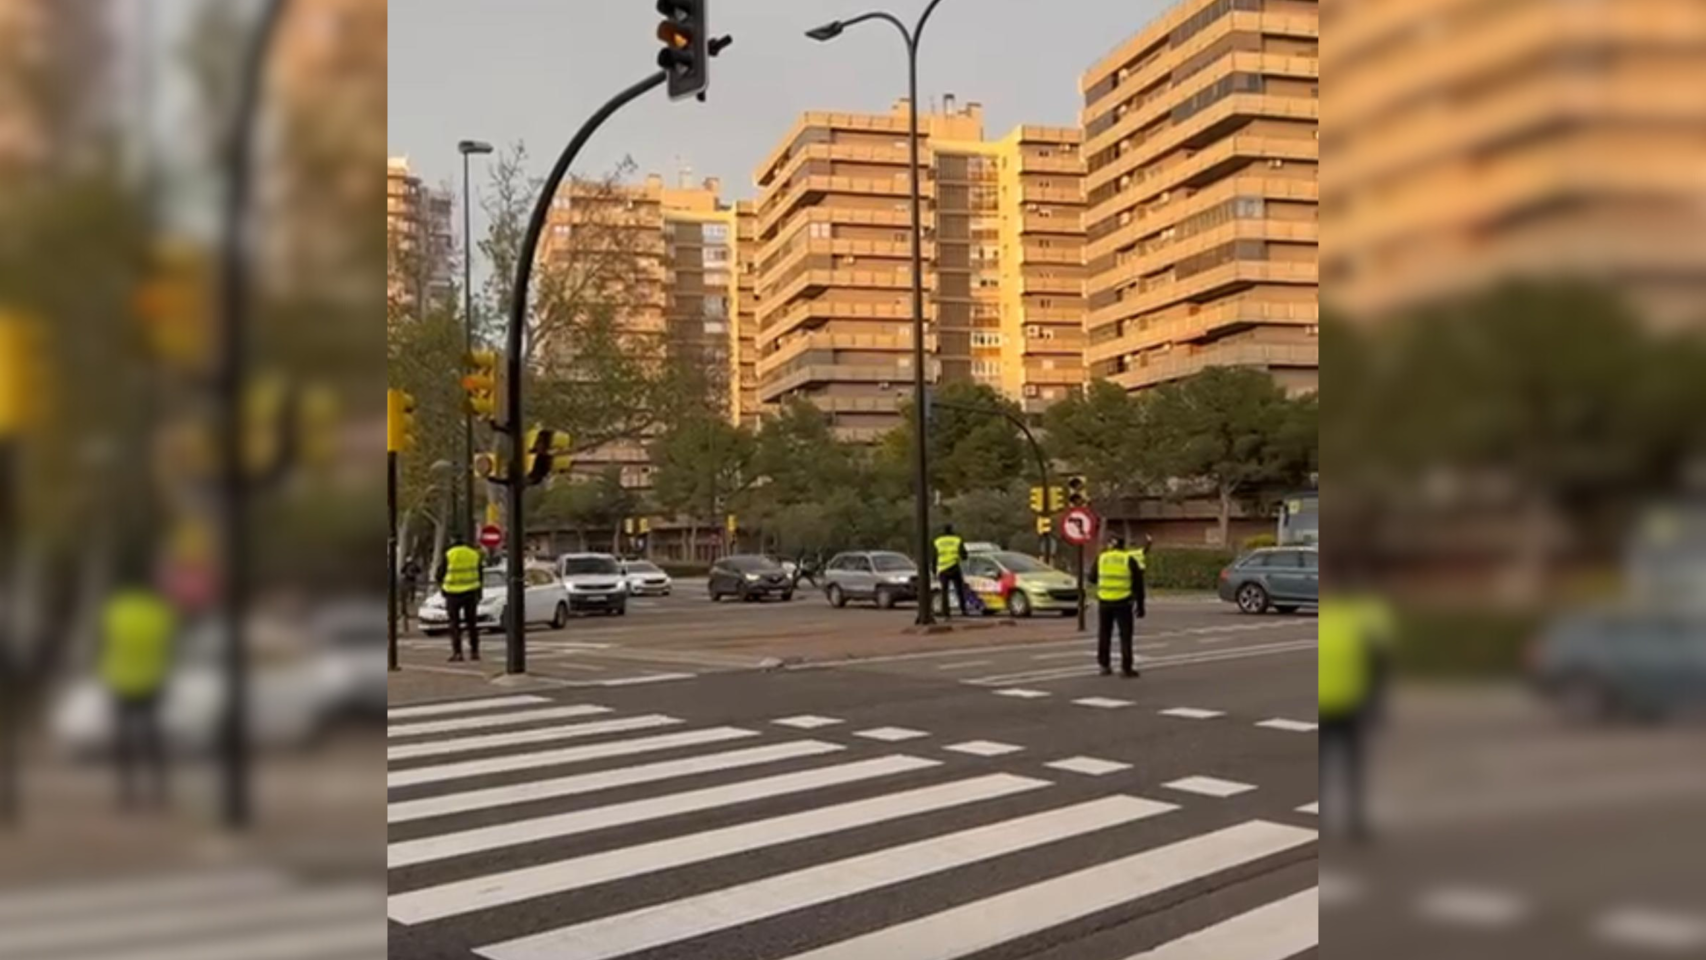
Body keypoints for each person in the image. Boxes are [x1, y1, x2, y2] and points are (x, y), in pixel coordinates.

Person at [1318, 575, 1394, 843]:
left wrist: (1376, 700)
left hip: (1345, 701)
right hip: (1339, 701)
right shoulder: (1360, 617)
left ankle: (1351, 819)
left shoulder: (1346, 618)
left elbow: (1379, 662)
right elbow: (1380, 663)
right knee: (1348, 764)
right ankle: (1352, 820)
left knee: (1346, 763)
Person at [100, 583, 177, 811]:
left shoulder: (114, 611)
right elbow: (170, 645)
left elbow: (105, 642)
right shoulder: (161, 612)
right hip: (153, 679)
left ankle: (126, 793)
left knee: (123, 740)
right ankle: (159, 790)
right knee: (153, 737)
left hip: (120, 679)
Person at [1089, 533, 1148, 677]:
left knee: (1104, 634)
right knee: (1125, 635)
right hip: (1123, 602)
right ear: (1123, 546)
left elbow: (1092, 578)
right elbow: (1138, 585)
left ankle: (1104, 665)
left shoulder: (1102, 558)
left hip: (1104, 601)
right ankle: (1126, 668)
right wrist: (1140, 606)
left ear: (1110, 545)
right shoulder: (1128, 559)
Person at [437, 535, 484, 662]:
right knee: (472, 624)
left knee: (454, 624)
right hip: (471, 591)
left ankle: (457, 653)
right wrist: (479, 592)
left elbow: (440, 573)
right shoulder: (473, 554)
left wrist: (442, 585)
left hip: (453, 593)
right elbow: (480, 573)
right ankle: (475, 652)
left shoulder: (449, 554)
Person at [933, 524, 969, 619]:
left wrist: (934, 569)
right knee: (959, 589)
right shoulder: (957, 539)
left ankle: (946, 613)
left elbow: (934, 556)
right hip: (954, 566)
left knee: (944, 591)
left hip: (943, 568)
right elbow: (964, 555)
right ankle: (963, 610)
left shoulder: (937, 541)